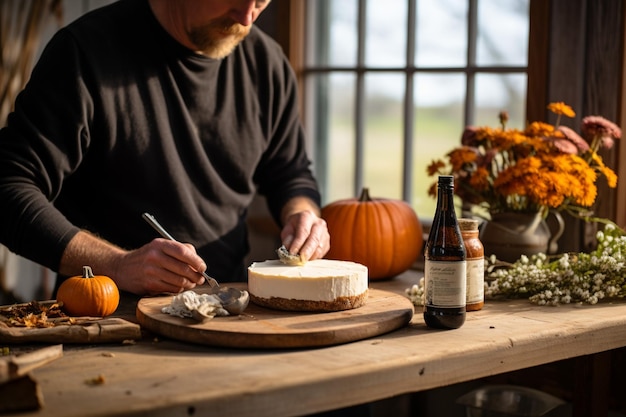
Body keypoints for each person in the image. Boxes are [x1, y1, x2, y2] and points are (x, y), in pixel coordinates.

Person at [0, 0, 330, 297]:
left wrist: (304, 216)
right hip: (107, 315)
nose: (246, 17)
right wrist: (118, 266)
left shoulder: (268, 64)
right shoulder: (85, 52)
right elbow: (8, 187)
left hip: (227, 308)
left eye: (260, 1)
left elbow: (290, 172)